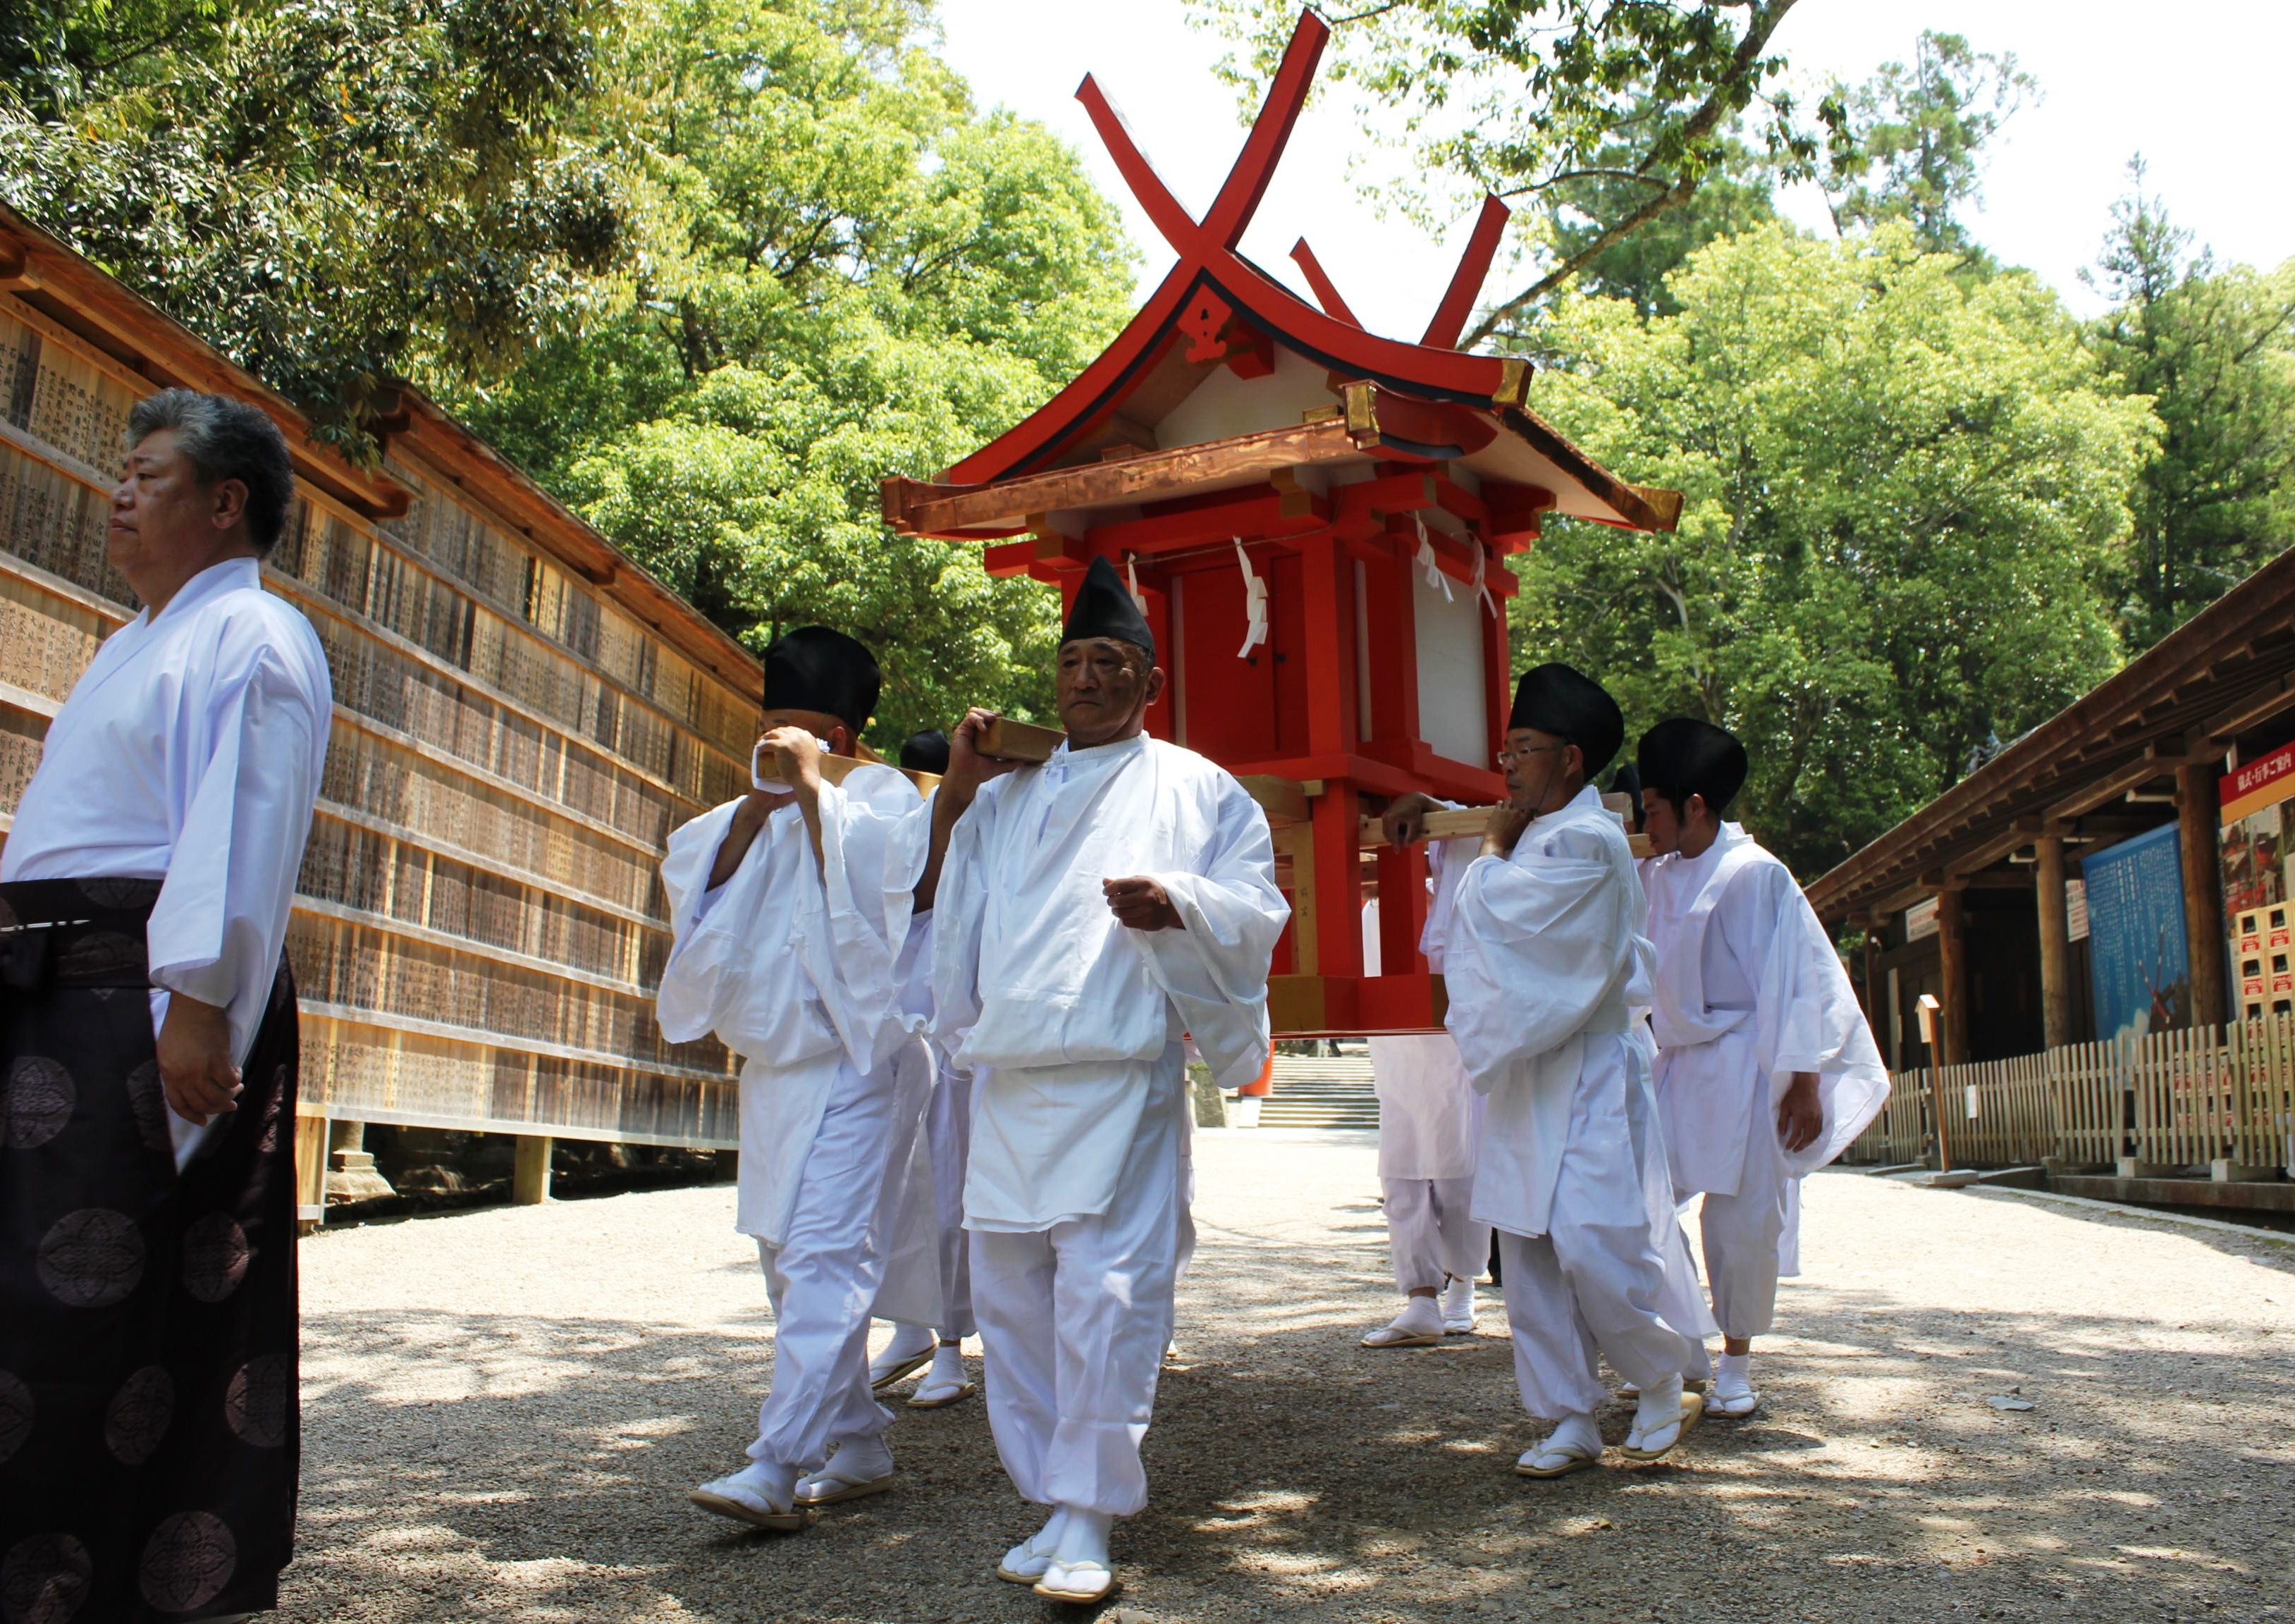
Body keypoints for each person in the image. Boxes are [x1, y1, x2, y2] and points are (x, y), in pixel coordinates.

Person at [0, 389, 331, 1619]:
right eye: (121, 471)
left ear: (225, 501)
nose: (119, 492)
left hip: (142, 1001)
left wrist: (198, 1002)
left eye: (148, 474)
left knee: (95, 1300)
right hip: (58, 991)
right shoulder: (130, 640)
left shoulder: (253, 633)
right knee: (35, 1292)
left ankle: (103, 1579)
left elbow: (238, 825)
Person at [920, 555, 1286, 1604]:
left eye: (1109, 663)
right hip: (1010, 1073)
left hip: (1120, 1074)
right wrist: (958, 787)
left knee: (1107, 1297)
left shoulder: (1197, 786)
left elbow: (1256, 906)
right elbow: (952, 911)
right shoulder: (1006, 796)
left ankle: (1088, 1514)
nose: (1085, 679)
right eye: (1072, 661)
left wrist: (1179, 904)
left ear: (1150, 682)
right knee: (1010, 1302)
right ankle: (1053, 1497)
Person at [1384, 664, 1702, 1480]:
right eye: (1505, 749)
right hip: (1529, 1070)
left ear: (1570, 758)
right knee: (1525, 1248)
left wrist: (1490, 852)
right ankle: (1566, 1414)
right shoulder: (1532, 833)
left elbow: (1501, 916)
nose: (1507, 765)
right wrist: (1476, 837)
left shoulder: (1589, 840)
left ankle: (1659, 1378)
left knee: (1596, 1239)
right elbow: (1480, 917)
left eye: (1522, 749)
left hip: (1587, 1063)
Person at [658, 628, 930, 1530]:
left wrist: (817, 795)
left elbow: (894, 896)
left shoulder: (882, 798)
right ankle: (858, 1442)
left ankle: (775, 1464)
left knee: (826, 1257)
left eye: (796, 731)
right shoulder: (739, 813)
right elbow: (691, 889)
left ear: (839, 737)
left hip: (862, 1059)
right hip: (774, 1073)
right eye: (766, 728)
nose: (773, 745)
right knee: (786, 1266)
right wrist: (754, 811)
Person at [1635, 718, 1890, 1417]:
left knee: (1741, 1220)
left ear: (1694, 806)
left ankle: (1736, 1362)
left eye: (1653, 809)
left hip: (1747, 1062)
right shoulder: (1651, 873)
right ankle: (1677, 1344)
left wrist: (1803, 1080)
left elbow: (1799, 978)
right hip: (1674, 1062)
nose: (1644, 823)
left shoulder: (1755, 874)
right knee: (1639, 1202)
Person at [866, 729, 979, 1411]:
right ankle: (909, 1326)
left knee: (953, 1189)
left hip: (960, 1049)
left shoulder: (980, 844)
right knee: (900, 1190)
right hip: (901, 1043)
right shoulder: (892, 843)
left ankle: (952, 1345)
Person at [1358, 885, 1487, 1347]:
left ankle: (1463, 1285)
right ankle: (1421, 1299)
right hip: (1393, 1044)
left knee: (1458, 1172)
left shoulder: (1456, 887)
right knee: (1400, 1175)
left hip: (1452, 1039)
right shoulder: (1368, 912)